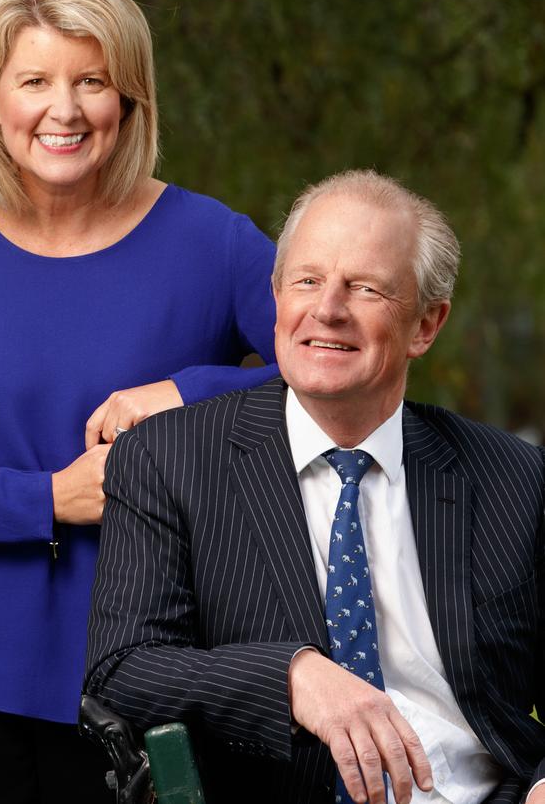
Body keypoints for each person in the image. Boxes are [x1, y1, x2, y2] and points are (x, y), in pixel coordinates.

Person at [0, 0, 278, 804]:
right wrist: (46, 499)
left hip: (151, 668)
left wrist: (188, 393)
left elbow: (340, 372)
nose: (63, 111)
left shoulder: (215, 242)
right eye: (35, 80)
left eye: (92, 81)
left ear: (130, 96)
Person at [85, 169, 545, 804]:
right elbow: (123, 669)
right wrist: (294, 676)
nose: (326, 308)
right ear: (276, 296)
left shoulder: (513, 479)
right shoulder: (168, 460)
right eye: (306, 280)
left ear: (425, 326)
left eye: (365, 288)